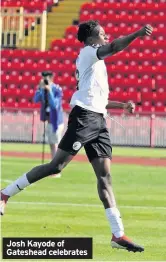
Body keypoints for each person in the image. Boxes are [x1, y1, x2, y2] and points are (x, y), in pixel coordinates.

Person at [0, 20, 153, 252]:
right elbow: (113, 48)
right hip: (84, 119)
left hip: (98, 120)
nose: (106, 35)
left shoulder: (95, 62)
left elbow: (96, 98)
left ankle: (118, 234)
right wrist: (138, 33)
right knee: (56, 167)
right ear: (91, 39)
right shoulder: (89, 53)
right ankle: (5, 193)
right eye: (101, 33)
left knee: (105, 177)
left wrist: (121, 105)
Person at [34, 71, 64, 177]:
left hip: (56, 121)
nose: (44, 80)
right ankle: (54, 168)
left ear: (51, 78)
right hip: (48, 121)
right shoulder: (42, 89)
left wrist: (49, 90)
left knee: (55, 145)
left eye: (46, 78)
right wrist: (40, 89)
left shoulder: (57, 89)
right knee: (52, 145)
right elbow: (35, 99)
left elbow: (54, 105)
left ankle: (57, 170)